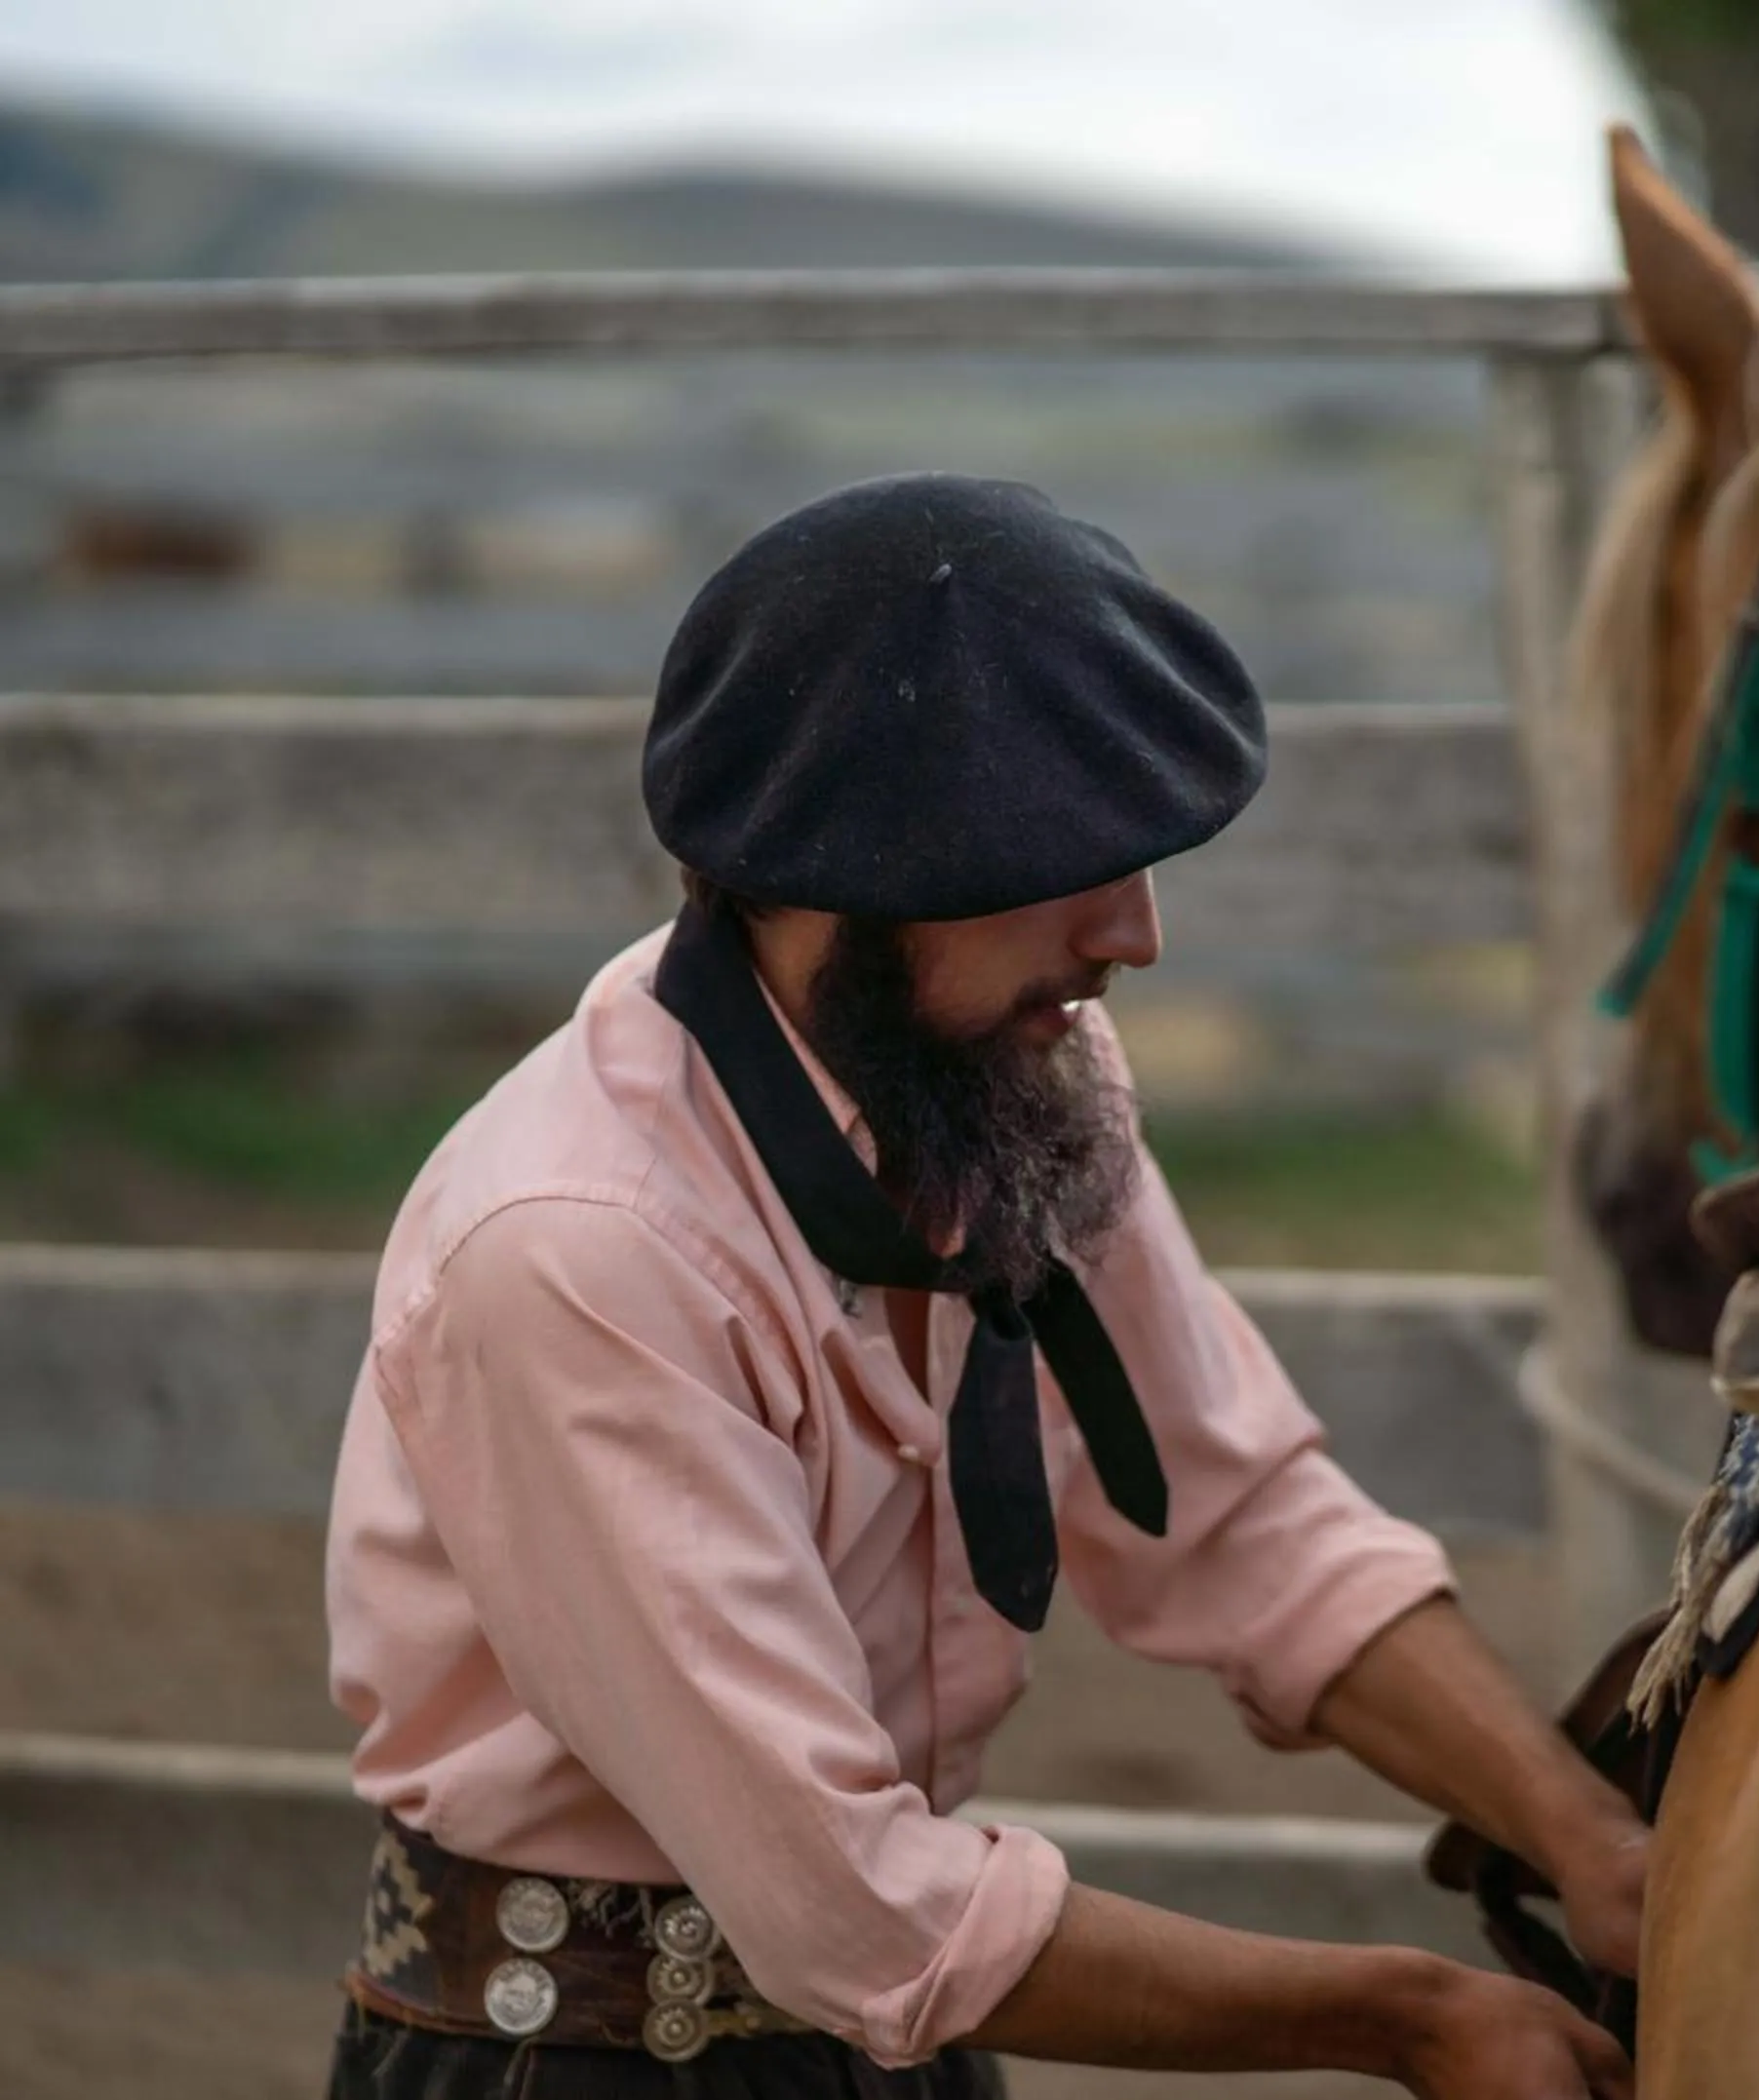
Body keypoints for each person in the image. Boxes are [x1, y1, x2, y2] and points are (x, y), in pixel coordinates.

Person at [321, 474, 1645, 2099]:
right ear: (840, 875)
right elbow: (858, 1905)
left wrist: (1592, 1837)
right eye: (1062, 856)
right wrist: (1409, 2018)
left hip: (910, 2043)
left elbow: (1238, 1525)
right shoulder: (579, 1253)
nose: (1138, 935)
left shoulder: (1018, 1076)